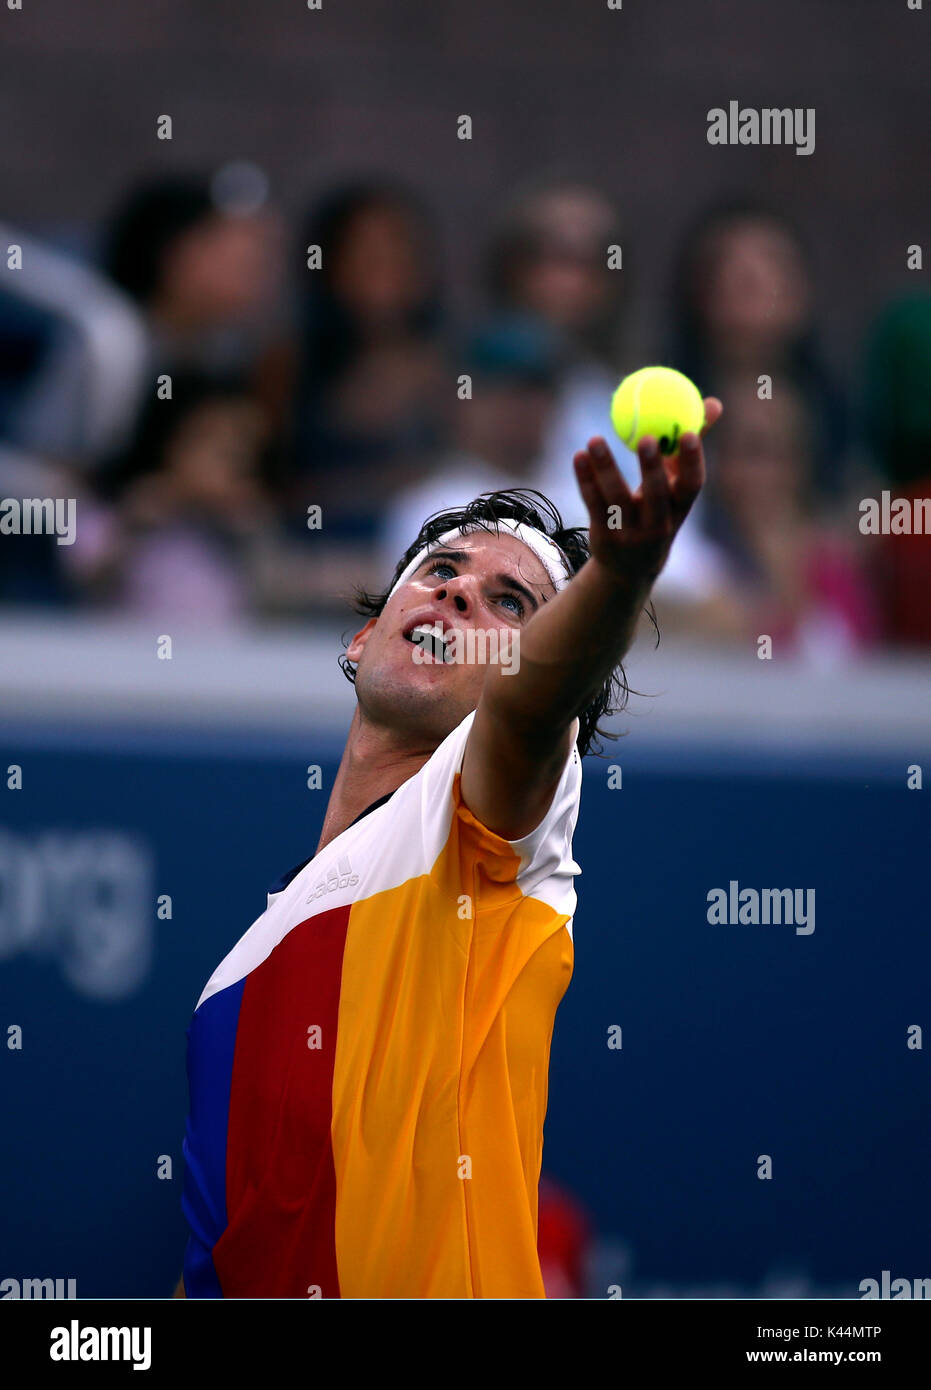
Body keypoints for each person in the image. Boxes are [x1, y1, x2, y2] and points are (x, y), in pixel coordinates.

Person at [175, 396, 722, 1298]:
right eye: (440, 570)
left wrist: (619, 580)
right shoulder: (231, 975)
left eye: (512, 603)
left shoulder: (487, 828)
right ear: (362, 637)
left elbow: (524, 713)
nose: (458, 591)